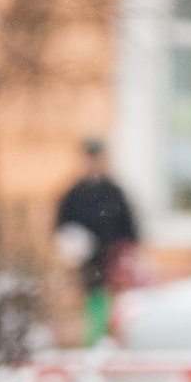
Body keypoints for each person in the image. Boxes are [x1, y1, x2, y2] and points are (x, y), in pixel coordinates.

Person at [54, 137, 139, 347]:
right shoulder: (74, 195)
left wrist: (125, 253)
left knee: (117, 304)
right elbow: (61, 228)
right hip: (88, 263)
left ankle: (113, 342)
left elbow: (130, 229)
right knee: (95, 301)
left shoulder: (114, 193)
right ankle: (94, 342)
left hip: (114, 261)